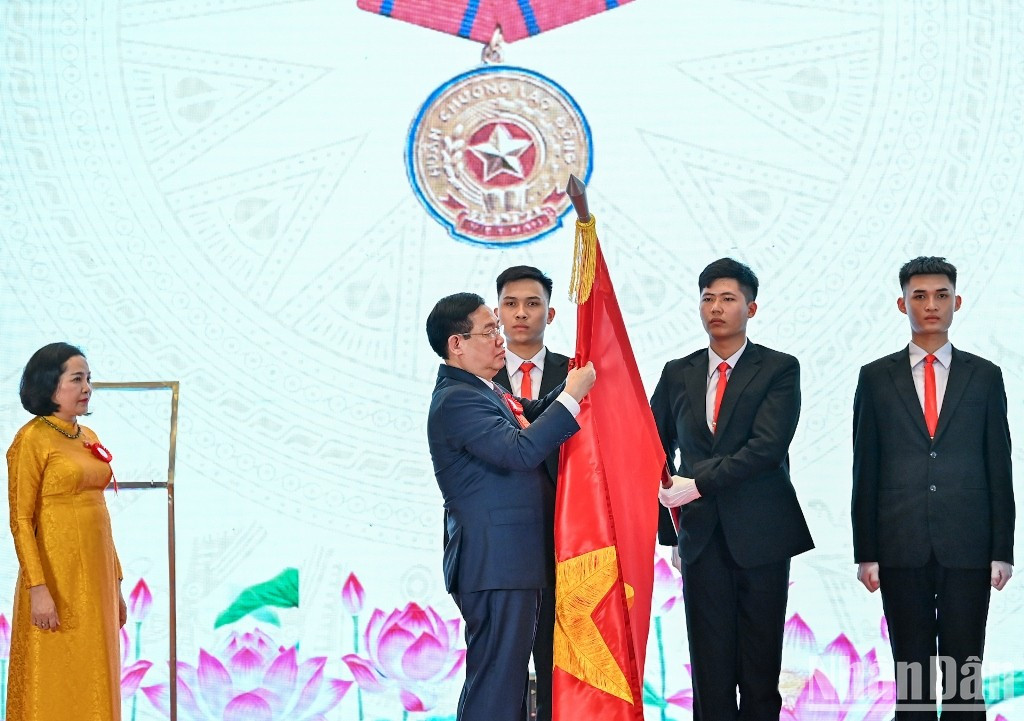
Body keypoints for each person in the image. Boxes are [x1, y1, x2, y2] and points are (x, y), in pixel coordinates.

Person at [651, 258, 814, 721]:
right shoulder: (676, 371)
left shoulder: (779, 369)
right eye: (707, 298)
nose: (716, 308)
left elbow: (765, 449)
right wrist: (671, 534)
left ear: (751, 307)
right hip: (700, 540)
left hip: (762, 536)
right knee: (710, 673)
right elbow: (654, 450)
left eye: (727, 298)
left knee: (760, 673)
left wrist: (696, 484)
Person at [851, 256, 1014, 719]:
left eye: (941, 295)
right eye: (919, 296)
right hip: (900, 546)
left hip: (968, 546)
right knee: (913, 678)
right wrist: (867, 551)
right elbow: (865, 468)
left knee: (965, 674)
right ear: (901, 303)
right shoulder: (875, 377)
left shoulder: (984, 376)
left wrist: (1001, 548)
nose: (931, 305)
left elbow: (998, 467)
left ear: (957, 302)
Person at [425, 292, 595, 721]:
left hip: (512, 563)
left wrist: (575, 378)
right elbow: (521, 450)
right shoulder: (456, 400)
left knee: (507, 681)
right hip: (496, 564)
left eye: (496, 328)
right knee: (497, 683)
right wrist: (572, 397)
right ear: (456, 344)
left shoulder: (486, 390)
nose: (500, 338)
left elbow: (532, 413)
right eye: (488, 330)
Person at [6, 342, 127, 721]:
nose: (87, 388)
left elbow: (99, 513)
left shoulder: (86, 434)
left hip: (98, 578)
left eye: (88, 379)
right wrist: (38, 588)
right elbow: (21, 520)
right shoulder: (31, 439)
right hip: (56, 578)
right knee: (57, 671)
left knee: (96, 668)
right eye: (77, 379)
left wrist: (117, 583)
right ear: (49, 385)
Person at [491, 265, 568, 721]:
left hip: (565, 535)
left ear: (550, 313)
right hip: (502, 542)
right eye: (511, 304)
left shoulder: (577, 372)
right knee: (504, 665)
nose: (521, 313)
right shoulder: (477, 376)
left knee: (559, 657)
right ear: (498, 313)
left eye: (533, 303)